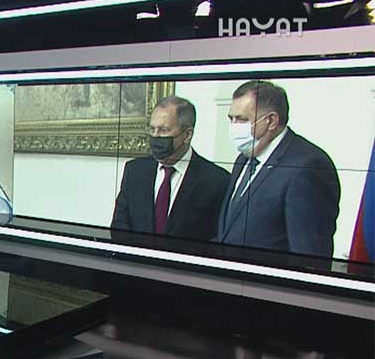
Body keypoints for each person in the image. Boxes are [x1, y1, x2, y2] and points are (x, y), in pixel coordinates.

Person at [217, 80, 340, 257]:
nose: (234, 127)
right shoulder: (243, 159)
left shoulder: (308, 166)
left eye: (242, 119)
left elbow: (308, 255)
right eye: (231, 119)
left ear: (271, 121)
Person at [112, 95, 229, 240]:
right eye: (152, 129)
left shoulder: (217, 180)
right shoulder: (135, 170)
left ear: (187, 134)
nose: (155, 136)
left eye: (163, 130)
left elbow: (217, 237)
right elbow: (119, 225)